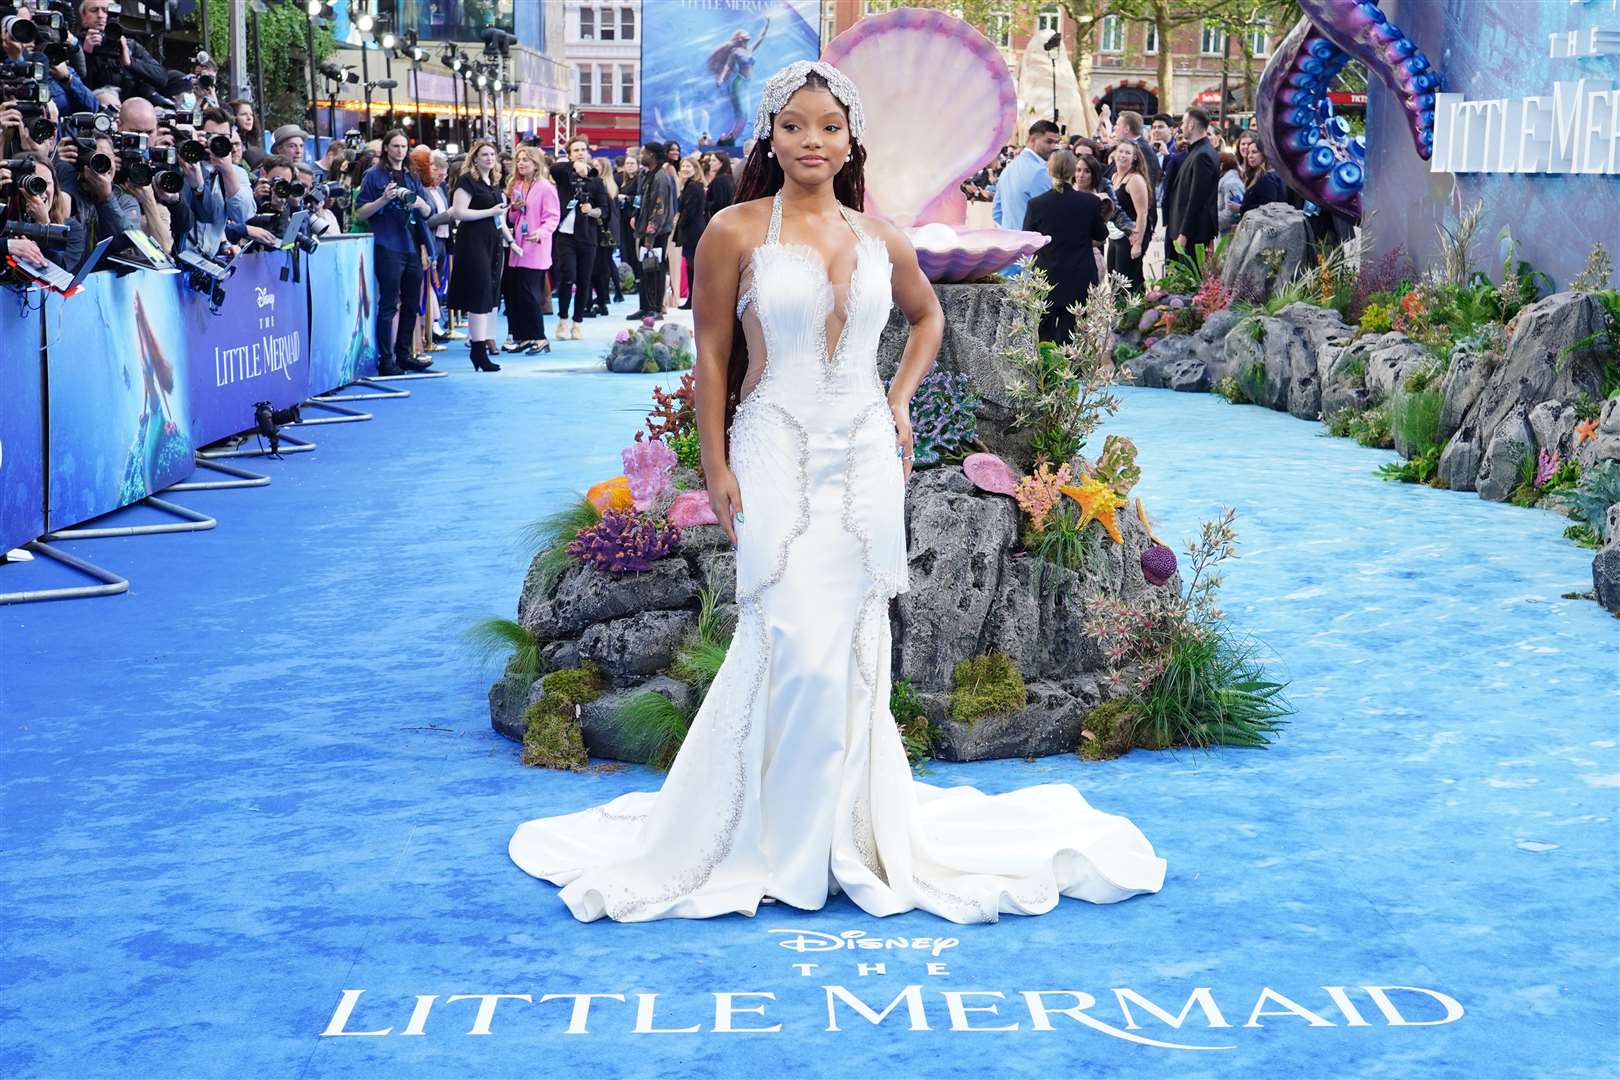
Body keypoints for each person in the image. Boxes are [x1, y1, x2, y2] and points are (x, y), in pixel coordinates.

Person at [508, 59, 1166, 925]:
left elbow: (926, 316)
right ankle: (769, 832)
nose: (811, 140)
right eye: (794, 125)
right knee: (787, 629)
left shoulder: (879, 239)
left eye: (828, 126)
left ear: (851, 139)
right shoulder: (733, 232)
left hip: (862, 453)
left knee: (851, 640)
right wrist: (714, 465)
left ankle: (843, 830)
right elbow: (711, 355)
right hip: (772, 444)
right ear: (771, 136)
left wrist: (897, 401)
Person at [355, 128, 435, 375]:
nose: (400, 151)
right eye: (396, 146)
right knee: (389, 303)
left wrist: (420, 203)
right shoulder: (373, 176)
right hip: (387, 244)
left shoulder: (412, 176)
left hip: (410, 244)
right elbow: (360, 212)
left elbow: (427, 212)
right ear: (386, 148)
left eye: (403, 147)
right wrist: (384, 199)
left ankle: (404, 354)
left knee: (412, 303)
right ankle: (386, 360)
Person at [1022, 149, 1108, 346]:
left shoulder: (1036, 204)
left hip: (1046, 276)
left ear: (1049, 171)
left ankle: (1045, 374)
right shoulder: (1089, 202)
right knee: (1073, 335)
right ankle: (1070, 376)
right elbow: (1101, 234)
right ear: (1072, 171)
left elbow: (1028, 238)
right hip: (1079, 275)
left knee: (1044, 334)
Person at [446, 140, 512, 372]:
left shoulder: (493, 183)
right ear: (474, 158)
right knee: (479, 294)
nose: (489, 158)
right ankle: (478, 351)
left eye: (492, 154)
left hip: (492, 242)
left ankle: (480, 349)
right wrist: (490, 212)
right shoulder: (466, 182)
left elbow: (499, 218)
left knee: (488, 295)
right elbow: (459, 212)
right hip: (473, 242)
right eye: (484, 154)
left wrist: (510, 240)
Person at [547, 134, 607, 340]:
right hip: (565, 235)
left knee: (584, 280)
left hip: (587, 237)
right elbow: (554, 168)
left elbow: (604, 209)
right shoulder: (564, 175)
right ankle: (562, 320)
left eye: (583, 149)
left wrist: (591, 210)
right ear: (570, 154)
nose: (581, 153)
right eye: (576, 150)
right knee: (567, 277)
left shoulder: (596, 180)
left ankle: (577, 322)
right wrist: (574, 165)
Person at [504, 145, 559, 354]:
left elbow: (553, 217)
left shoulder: (546, 187)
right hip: (517, 245)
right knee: (515, 292)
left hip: (535, 246)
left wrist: (542, 233)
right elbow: (512, 218)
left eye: (525, 159)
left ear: (536, 163)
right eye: (519, 160)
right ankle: (521, 336)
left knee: (528, 293)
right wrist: (515, 208)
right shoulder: (517, 185)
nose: (521, 163)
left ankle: (539, 336)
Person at [1162, 106, 1219, 267]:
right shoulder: (1197, 151)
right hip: (1185, 232)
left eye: (1184, 122)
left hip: (1191, 235)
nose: (1181, 127)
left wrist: (1184, 234)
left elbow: (1197, 199)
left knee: (1186, 287)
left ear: (1192, 125)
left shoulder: (1203, 155)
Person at [629, 141, 676, 320]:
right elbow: (640, 199)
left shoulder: (661, 177)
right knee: (644, 270)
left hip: (657, 233)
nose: (641, 156)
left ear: (653, 156)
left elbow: (660, 209)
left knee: (655, 270)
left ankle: (656, 309)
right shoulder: (646, 175)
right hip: (644, 230)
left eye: (644, 153)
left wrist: (650, 235)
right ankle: (645, 306)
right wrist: (635, 215)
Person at [990, 119, 1061, 233]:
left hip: (1012, 243)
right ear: (1032, 140)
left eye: (1056, 142)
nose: (1053, 147)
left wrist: (1013, 230)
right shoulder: (1039, 172)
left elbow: (996, 213)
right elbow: (1050, 215)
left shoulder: (1008, 169)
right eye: (1048, 142)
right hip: (1034, 245)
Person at [1106, 139, 1154, 293]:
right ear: (1114, 154)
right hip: (1116, 235)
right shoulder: (1114, 177)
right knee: (1114, 279)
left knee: (1128, 282)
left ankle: (1133, 315)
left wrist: (1137, 243)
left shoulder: (1135, 180)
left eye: (1127, 152)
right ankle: (1121, 314)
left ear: (1134, 157)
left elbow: (1142, 213)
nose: (1123, 155)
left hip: (1132, 235)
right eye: (1120, 151)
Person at [673, 155, 706, 309]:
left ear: (695, 169)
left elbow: (689, 211)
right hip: (691, 231)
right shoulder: (690, 185)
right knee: (691, 267)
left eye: (688, 167)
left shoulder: (693, 186)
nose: (685, 169)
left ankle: (694, 300)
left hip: (692, 232)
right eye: (683, 166)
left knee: (693, 267)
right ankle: (692, 300)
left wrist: (679, 223)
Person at [588, 156, 620, 315]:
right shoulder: (609, 183)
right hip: (608, 226)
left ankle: (606, 297)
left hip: (605, 227)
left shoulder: (602, 183)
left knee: (604, 265)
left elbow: (605, 209)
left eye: (597, 166)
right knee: (606, 264)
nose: (593, 168)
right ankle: (608, 296)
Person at [1236, 131, 1287, 220]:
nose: (1250, 156)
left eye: (1254, 152)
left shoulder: (1267, 178)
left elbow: (1268, 210)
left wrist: (1241, 208)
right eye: (1248, 153)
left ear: (1265, 154)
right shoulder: (1260, 175)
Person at [230, 99, 266, 167]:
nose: (249, 118)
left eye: (251, 115)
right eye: (243, 114)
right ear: (233, 117)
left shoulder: (253, 143)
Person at [1217, 148, 1244, 235]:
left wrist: (1214, 221)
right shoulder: (1229, 180)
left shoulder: (1230, 183)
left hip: (1228, 233)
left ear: (1222, 164)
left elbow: (1232, 212)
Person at [704, 149, 735, 218]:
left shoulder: (719, 180)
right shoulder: (728, 177)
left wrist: (703, 203)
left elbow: (718, 204)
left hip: (718, 219)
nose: (710, 163)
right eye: (710, 160)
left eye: (713, 160)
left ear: (722, 163)